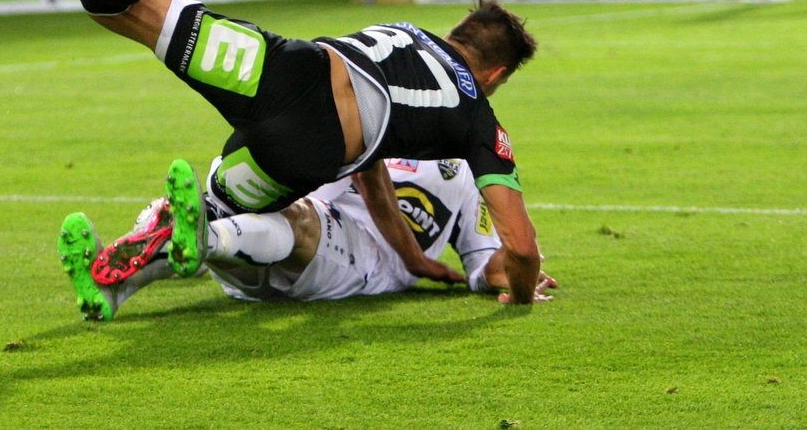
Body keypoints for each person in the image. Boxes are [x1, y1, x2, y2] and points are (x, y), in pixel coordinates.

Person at [51, 0, 542, 305]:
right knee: (225, 213)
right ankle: (195, 238)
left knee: (120, 11)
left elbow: (373, 168)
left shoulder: (406, 32)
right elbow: (520, 247)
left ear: (455, 34)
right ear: (496, 73)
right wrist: (520, 292)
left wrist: (412, 258)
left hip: (288, 64)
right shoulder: (479, 119)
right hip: (315, 139)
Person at [57, 158, 558, 320]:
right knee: (245, 211)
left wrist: (517, 275)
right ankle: (112, 288)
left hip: (364, 264)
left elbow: (486, 257)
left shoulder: (467, 170)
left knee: (290, 220)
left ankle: (196, 234)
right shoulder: (375, 120)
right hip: (280, 247)